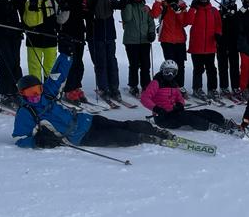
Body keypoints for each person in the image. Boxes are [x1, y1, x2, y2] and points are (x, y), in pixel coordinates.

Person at [13, 54, 171, 149]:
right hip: (79, 136)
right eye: (30, 92)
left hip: (86, 119)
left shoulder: (47, 94)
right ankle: (144, 138)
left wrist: (65, 55)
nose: (36, 95)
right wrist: (36, 141)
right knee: (118, 135)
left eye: (38, 90)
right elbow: (19, 139)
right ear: (22, 94)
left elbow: (57, 74)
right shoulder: (26, 112)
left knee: (121, 124)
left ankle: (153, 130)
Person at [141, 59, 229, 131]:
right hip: (163, 118)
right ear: (162, 71)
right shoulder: (156, 83)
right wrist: (156, 108)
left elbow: (180, 99)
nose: (170, 75)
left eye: (173, 72)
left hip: (175, 113)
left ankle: (222, 120)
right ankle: (208, 126)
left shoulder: (174, 84)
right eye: (167, 72)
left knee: (201, 112)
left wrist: (180, 104)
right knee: (188, 117)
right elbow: (144, 98)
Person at [49, 0, 88, 102]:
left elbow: (85, 11)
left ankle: (75, 86)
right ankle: (66, 89)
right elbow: (51, 10)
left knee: (78, 62)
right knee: (67, 61)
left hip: (79, 31)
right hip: (64, 31)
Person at [85, 0, 124, 103]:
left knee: (111, 62)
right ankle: (104, 88)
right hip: (96, 37)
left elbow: (121, 5)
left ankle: (113, 88)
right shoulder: (88, 0)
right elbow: (87, 13)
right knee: (101, 63)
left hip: (108, 36)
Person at [22, 0, 65, 79]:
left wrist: (65, 9)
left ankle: (48, 91)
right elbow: (29, 22)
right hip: (36, 40)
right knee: (35, 67)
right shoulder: (30, 4)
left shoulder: (52, 1)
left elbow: (60, 20)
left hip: (48, 39)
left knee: (49, 67)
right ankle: (37, 91)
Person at [183, 0, 222, 99]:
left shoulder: (214, 11)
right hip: (197, 46)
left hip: (210, 46)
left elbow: (218, 25)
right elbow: (188, 21)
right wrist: (193, 8)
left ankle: (212, 89)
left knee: (211, 69)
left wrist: (218, 34)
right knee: (198, 69)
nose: (203, 0)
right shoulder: (195, 10)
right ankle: (197, 88)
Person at [151, 0, 189, 93]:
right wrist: (158, 0)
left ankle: (180, 85)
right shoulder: (163, 4)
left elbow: (184, 23)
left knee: (180, 64)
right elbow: (154, 14)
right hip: (166, 39)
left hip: (180, 40)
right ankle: (170, 86)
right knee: (169, 65)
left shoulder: (182, 5)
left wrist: (178, 11)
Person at [121, 0, 156, 94]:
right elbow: (127, 18)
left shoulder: (145, 8)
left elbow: (151, 22)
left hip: (145, 41)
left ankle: (146, 86)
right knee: (134, 65)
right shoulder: (127, 6)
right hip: (131, 41)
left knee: (146, 65)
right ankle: (133, 86)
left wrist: (151, 33)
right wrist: (127, 3)